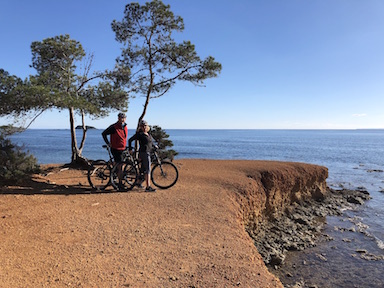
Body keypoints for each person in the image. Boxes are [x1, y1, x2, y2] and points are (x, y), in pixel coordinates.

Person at [128, 119, 156, 192]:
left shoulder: (148, 134)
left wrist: (154, 146)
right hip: (144, 153)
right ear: (140, 127)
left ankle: (138, 183)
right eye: (142, 126)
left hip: (148, 152)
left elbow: (150, 142)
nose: (144, 127)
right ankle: (148, 187)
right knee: (148, 169)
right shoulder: (139, 134)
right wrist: (130, 149)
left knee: (143, 170)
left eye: (145, 126)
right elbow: (130, 140)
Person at [102, 112, 128, 190]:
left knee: (118, 165)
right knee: (120, 166)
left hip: (122, 148)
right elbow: (104, 134)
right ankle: (120, 184)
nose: (122, 119)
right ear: (118, 118)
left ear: (125, 118)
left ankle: (113, 179)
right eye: (120, 117)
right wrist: (108, 143)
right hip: (116, 148)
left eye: (123, 118)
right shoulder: (113, 127)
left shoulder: (125, 127)